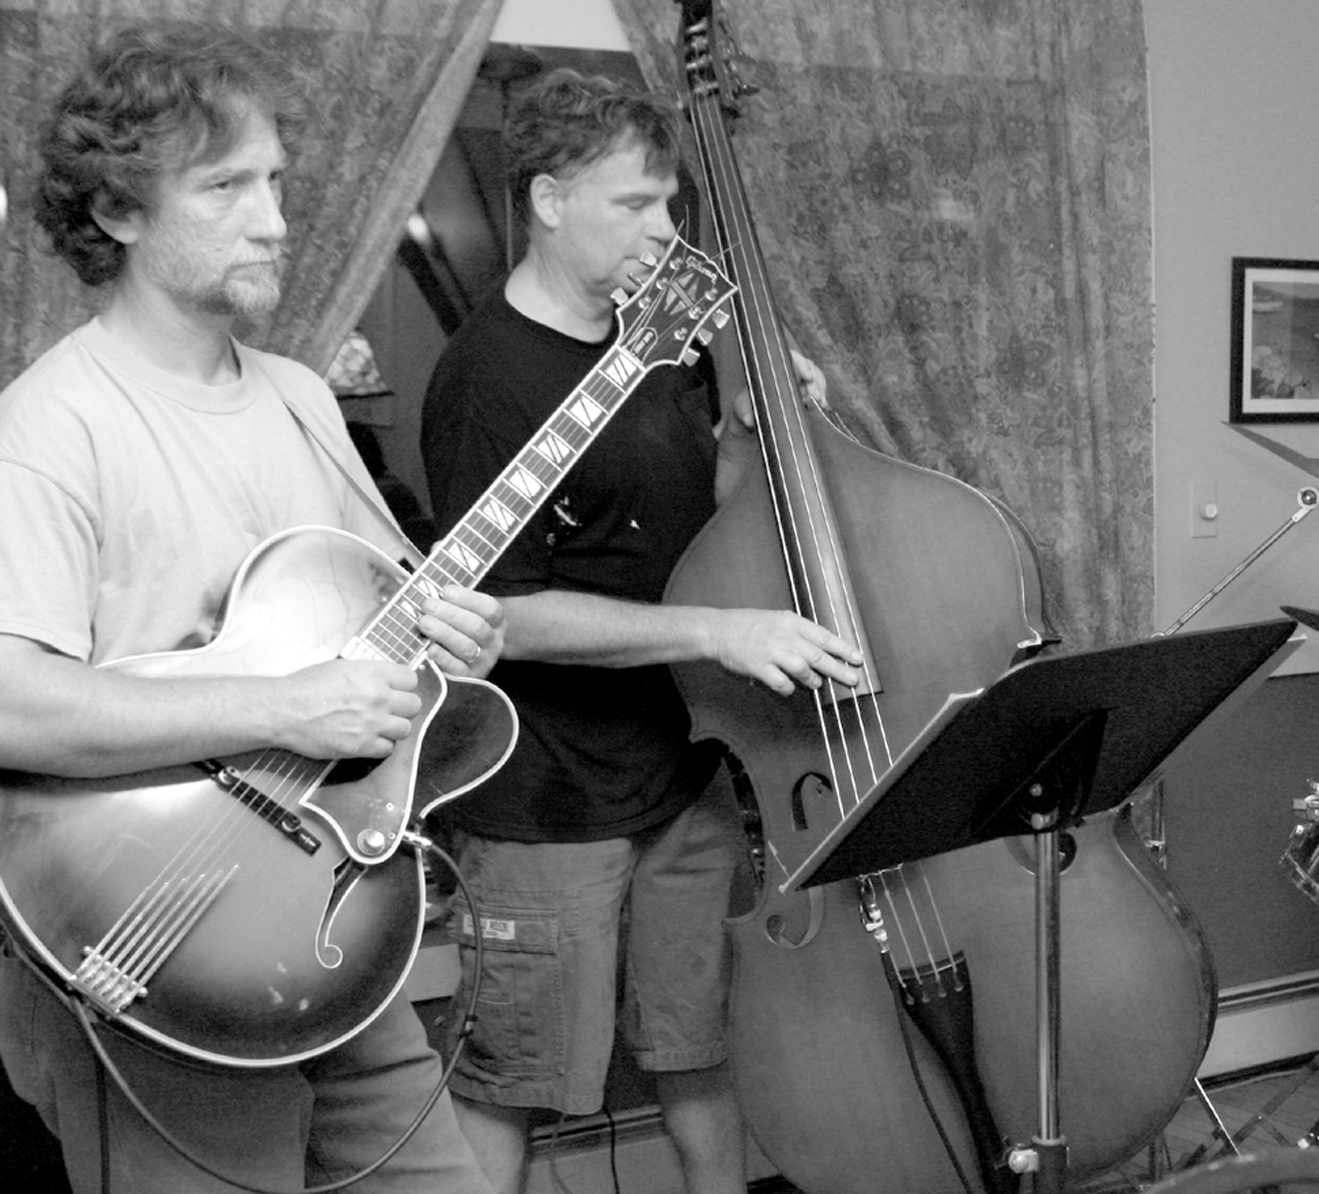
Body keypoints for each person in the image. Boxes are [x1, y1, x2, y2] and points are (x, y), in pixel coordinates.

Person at [0, 23, 505, 1193]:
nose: (274, 219)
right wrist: (288, 705)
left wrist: (456, 637)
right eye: (226, 186)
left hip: (329, 923)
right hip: (155, 947)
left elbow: (382, 622)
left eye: (275, 180)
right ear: (117, 211)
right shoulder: (48, 430)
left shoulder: (299, 399)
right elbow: (12, 706)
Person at [418, 69, 863, 1194]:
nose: (665, 230)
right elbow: (502, 614)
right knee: (512, 1081)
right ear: (549, 200)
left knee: (698, 1054)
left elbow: (704, 523)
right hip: (547, 799)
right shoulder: (484, 378)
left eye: (669, 203)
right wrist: (716, 632)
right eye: (634, 204)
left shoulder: (658, 348)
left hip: (682, 769)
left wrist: (756, 426)